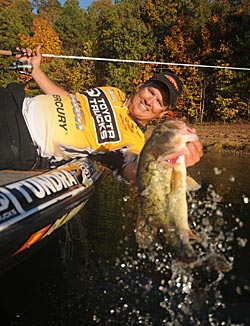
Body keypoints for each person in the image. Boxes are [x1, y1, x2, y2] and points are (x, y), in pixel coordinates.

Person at [0, 46, 203, 184]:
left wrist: (169, 165)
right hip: (16, 101)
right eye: (151, 91)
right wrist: (35, 70)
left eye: (159, 102)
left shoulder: (135, 141)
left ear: (163, 113)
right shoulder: (112, 91)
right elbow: (68, 98)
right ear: (142, 86)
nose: (150, 101)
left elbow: (134, 170)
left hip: (22, 142)